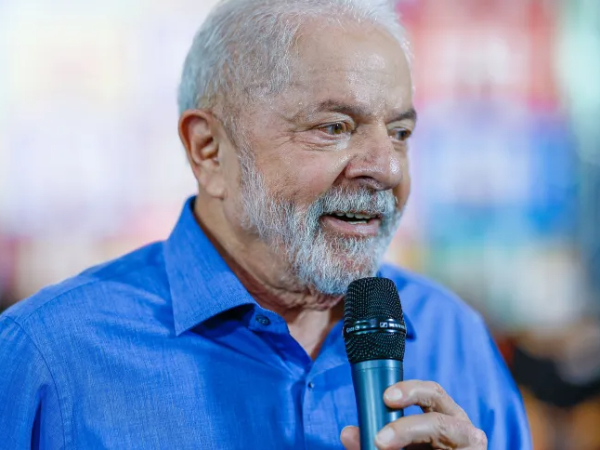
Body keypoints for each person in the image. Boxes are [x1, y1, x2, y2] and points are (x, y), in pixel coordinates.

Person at [0, 0, 531, 448]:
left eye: (399, 133)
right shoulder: (47, 355)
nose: (387, 168)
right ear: (209, 150)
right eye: (334, 127)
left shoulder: (454, 336)